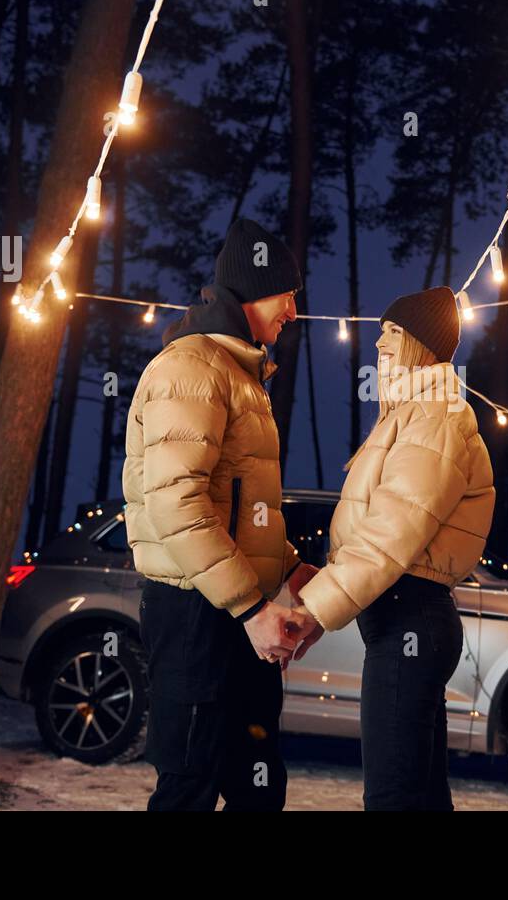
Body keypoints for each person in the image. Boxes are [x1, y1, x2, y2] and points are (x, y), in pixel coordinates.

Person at [122, 218, 321, 811]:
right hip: (195, 613)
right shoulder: (191, 369)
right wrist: (251, 607)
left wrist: (291, 571)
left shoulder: (241, 375)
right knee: (190, 783)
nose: (292, 311)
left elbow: (245, 507)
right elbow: (175, 502)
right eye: (287, 296)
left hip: (240, 611)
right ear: (254, 290)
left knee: (258, 783)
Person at [291, 286, 495, 810]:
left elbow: (393, 531)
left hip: (412, 622)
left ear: (420, 347)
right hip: (406, 623)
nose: (378, 346)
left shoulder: (435, 418)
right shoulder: (413, 414)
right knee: (420, 796)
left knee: (393, 796)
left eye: (392, 338)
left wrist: (315, 610)